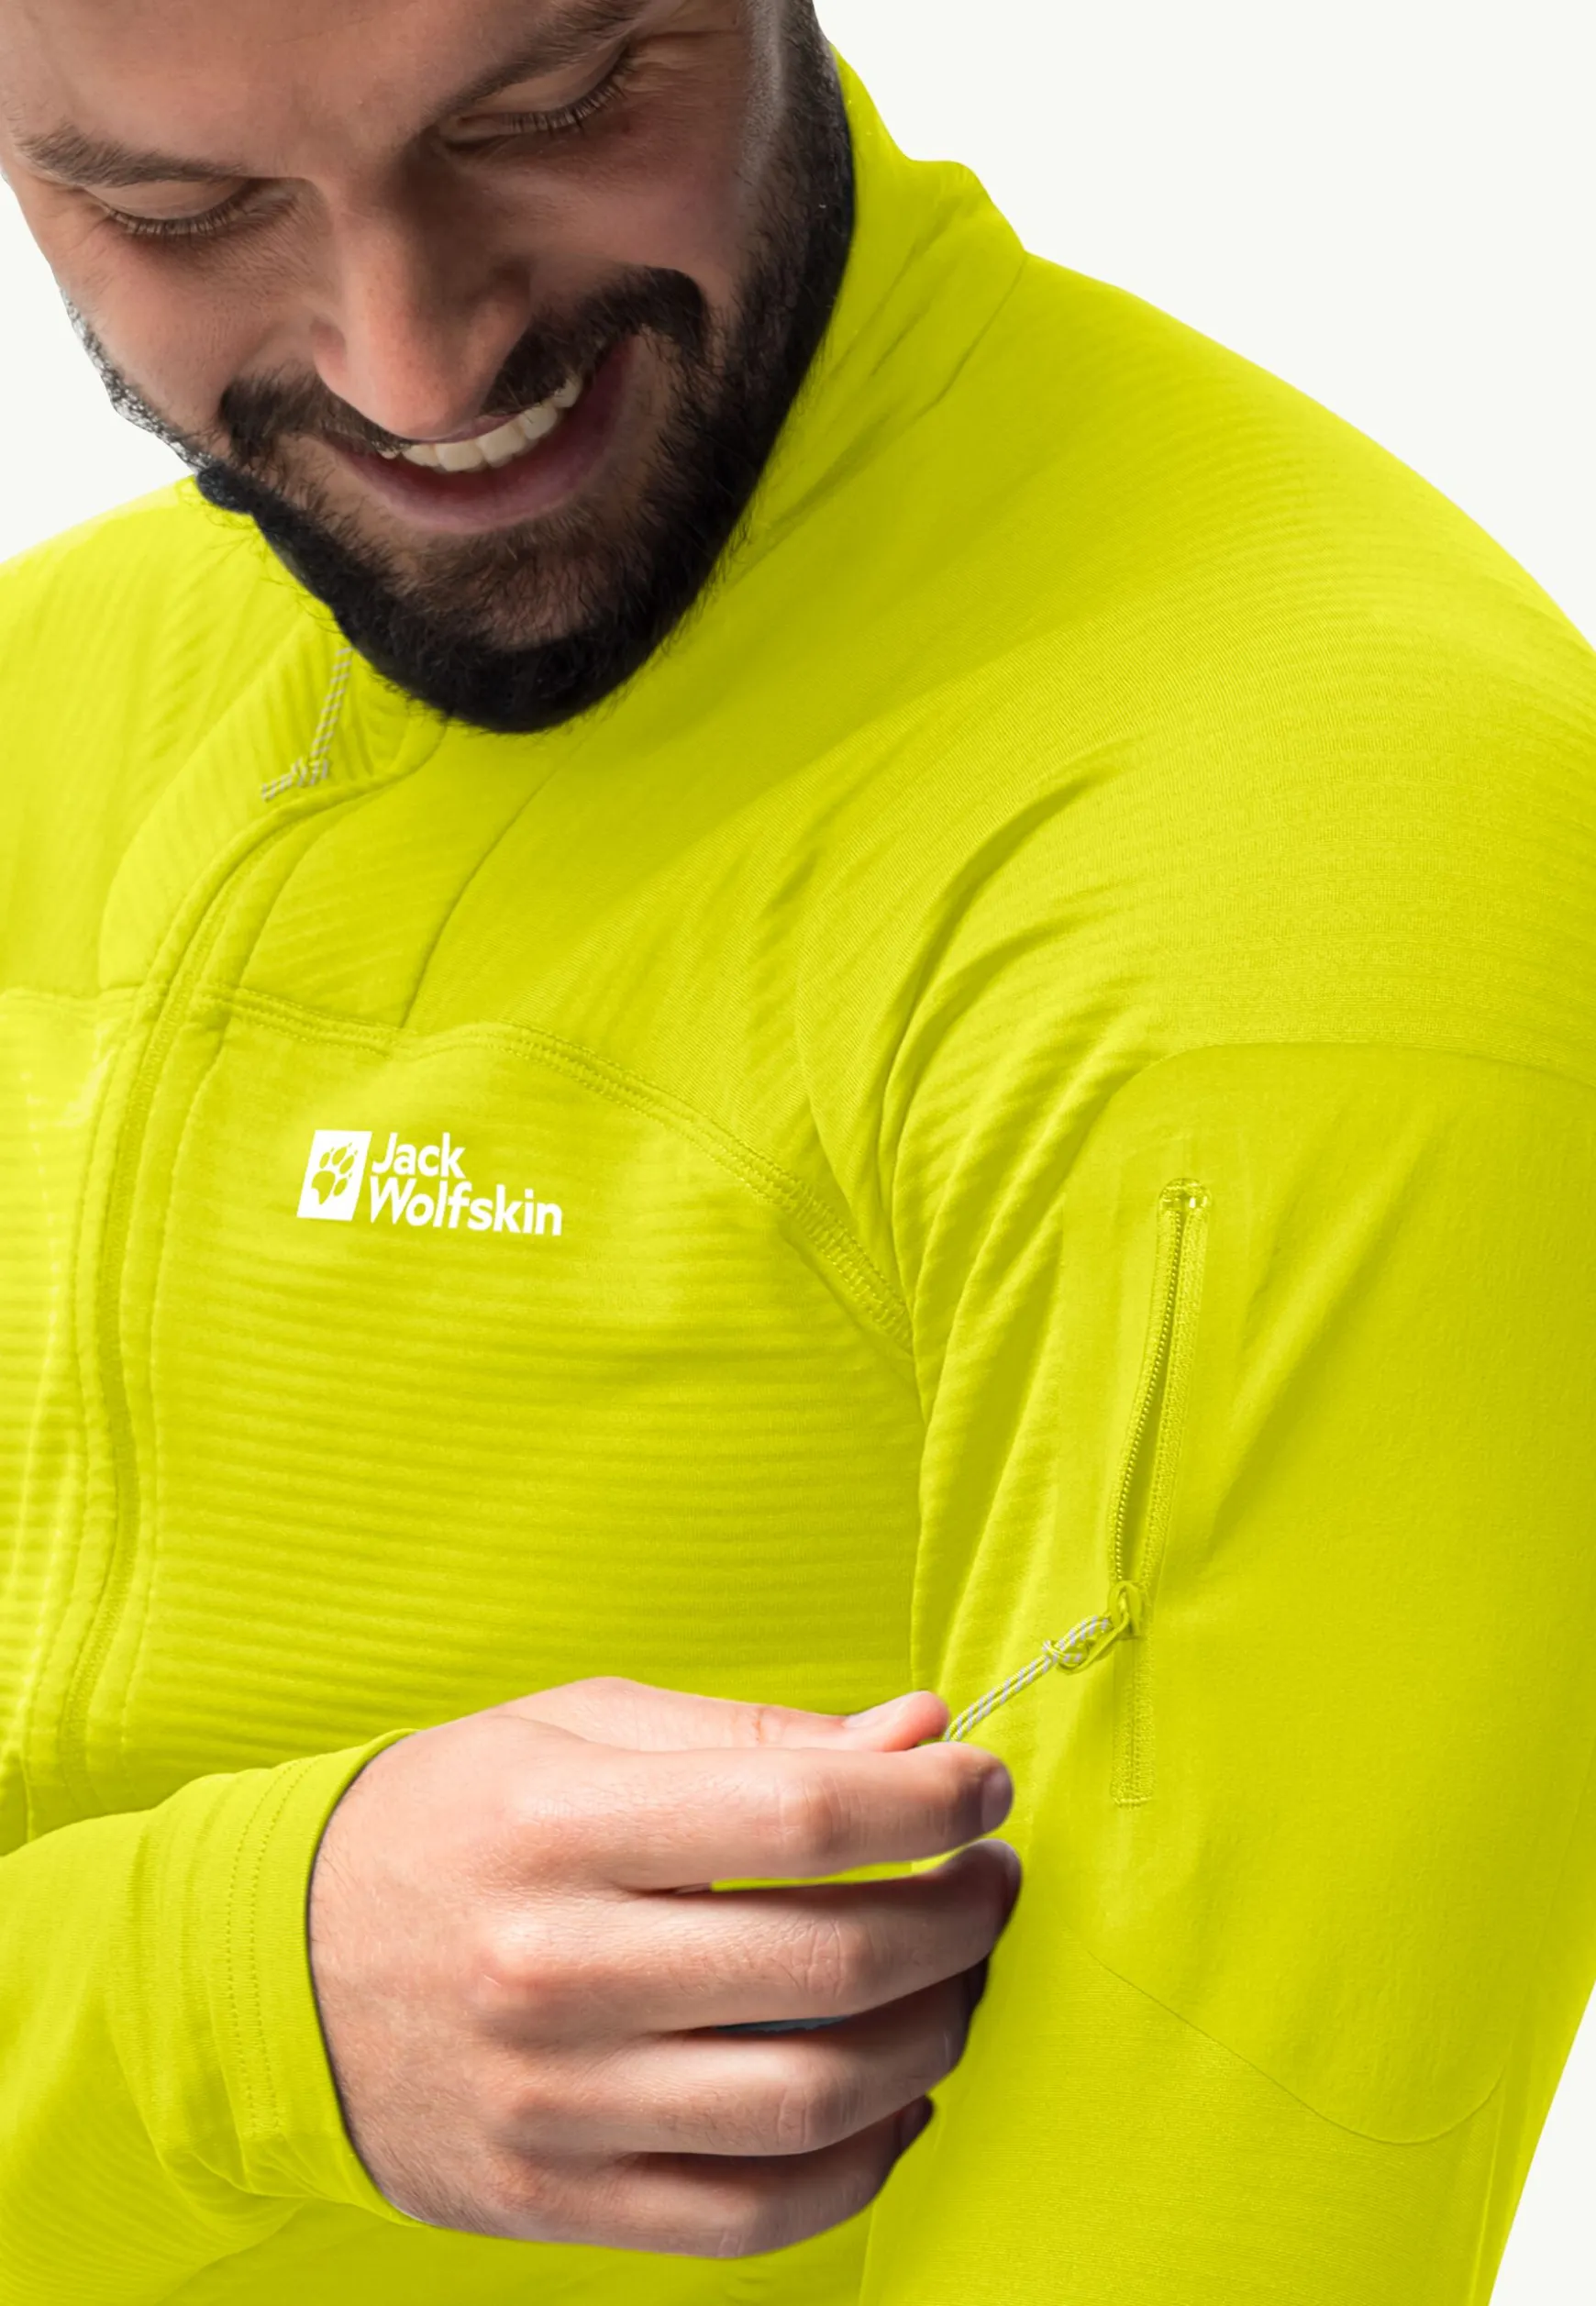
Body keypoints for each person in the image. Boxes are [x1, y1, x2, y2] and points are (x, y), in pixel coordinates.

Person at [1, 0, 1592, 2300]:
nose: (417, 365)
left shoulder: (1313, 869)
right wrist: (233, 2010)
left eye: (554, 107)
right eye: (179, 208)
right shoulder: (51, 691)